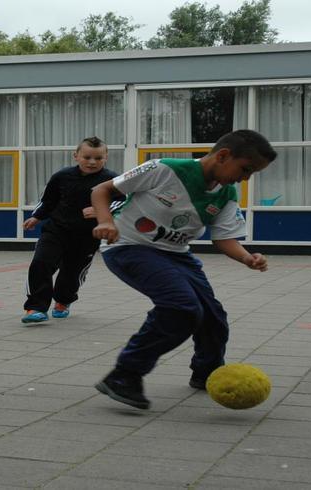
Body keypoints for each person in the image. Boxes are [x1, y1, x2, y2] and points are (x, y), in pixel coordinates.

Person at [89, 129, 276, 410]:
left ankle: (209, 374)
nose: (246, 178)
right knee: (182, 308)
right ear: (223, 156)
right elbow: (101, 190)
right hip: (129, 246)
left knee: (213, 317)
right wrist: (105, 221)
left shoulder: (226, 193)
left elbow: (224, 238)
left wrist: (248, 258)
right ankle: (124, 375)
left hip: (176, 255)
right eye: (246, 169)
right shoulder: (165, 169)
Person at [21, 136, 119, 324]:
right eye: (87, 157)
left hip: (88, 235)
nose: (92, 162)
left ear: (106, 157)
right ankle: (35, 307)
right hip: (56, 230)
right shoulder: (62, 176)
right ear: (76, 156)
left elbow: (124, 201)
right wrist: (36, 217)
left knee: (72, 273)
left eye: (98, 158)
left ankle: (63, 301)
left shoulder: (112, 179)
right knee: (41, 263)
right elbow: (48, 200)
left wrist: (102, 209)